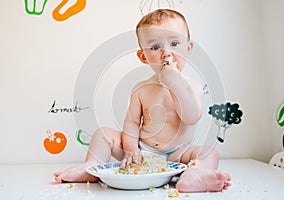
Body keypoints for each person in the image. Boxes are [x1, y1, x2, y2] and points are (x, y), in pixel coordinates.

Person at [54, 9, 231, 192]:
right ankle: (92, 166)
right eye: (155, 47)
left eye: (175, 43)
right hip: (141, 151)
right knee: (103, 134)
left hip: (178, 154)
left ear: (188, 48)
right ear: (143, 57)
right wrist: (132, 150)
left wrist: (176, 83)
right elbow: (131, 123)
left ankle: (194, 176)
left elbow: (191, 117)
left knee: (210, 153)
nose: (166, 53)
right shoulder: (141, 89)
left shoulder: (193, 86)